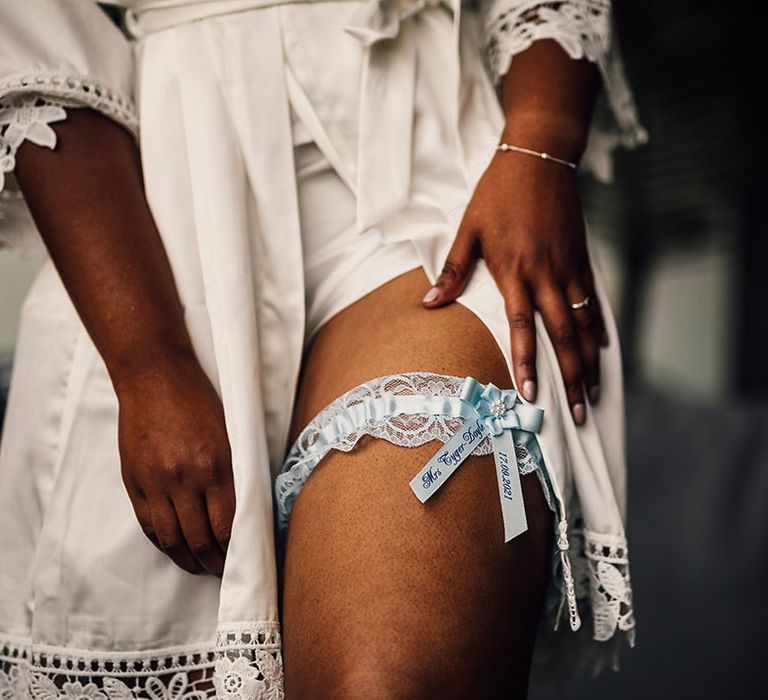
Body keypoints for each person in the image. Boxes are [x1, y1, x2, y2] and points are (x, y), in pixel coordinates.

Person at [0, 0, 647, 697]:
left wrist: (541, 142)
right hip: (163, 217)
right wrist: (147, 360)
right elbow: (37, 35)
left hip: (433, 207)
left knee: (391, 681)